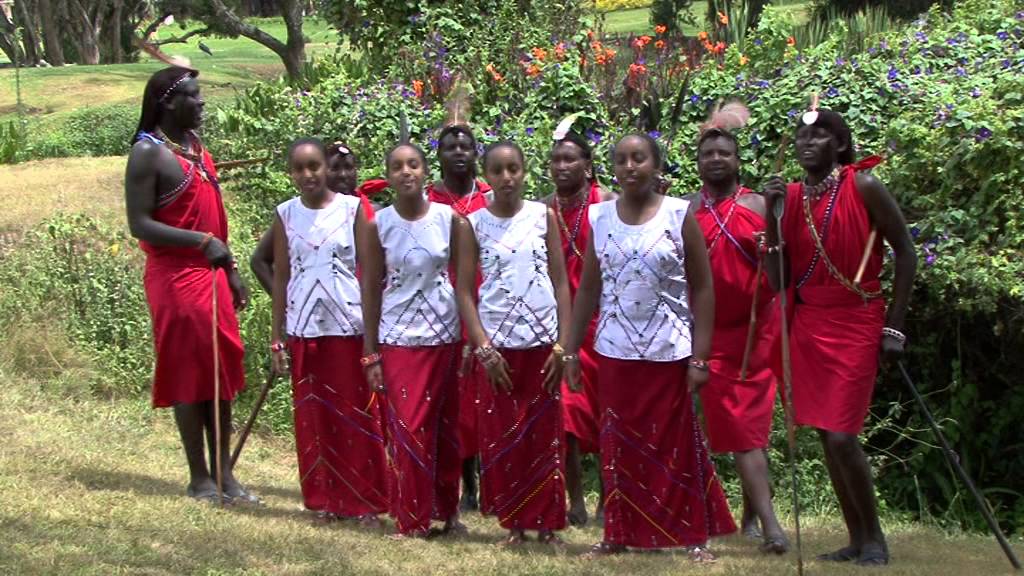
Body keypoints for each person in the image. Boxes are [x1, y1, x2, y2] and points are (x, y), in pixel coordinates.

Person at [565, 133, 736, 561]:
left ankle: (692, 535)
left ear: (655, 165)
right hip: (614, 352)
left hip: (670, 352)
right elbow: (588, 290)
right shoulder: (599, 217)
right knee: (617, 444)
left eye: (638, 159)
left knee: (676, 446)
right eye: (621, 160)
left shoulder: (680, 214)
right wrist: (568, 350)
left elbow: (703, 288)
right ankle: (617, 534)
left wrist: (701, 356)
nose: (629, 167)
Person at [761, 108, 916, 567]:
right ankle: (857, 538)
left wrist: (895, 325)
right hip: (810, 324)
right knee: (828, 437)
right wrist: (771, 220)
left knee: (843, 435)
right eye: (803, 135)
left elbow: (906, 252)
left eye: (821, 134)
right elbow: (778, 280)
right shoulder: (788, 197)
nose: (809, 142)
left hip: (857, 319)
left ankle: (876, 540)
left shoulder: (863, 186)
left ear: (840, 145)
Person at [125, 66, 255, 505]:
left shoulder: (196, 147)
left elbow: (214, 220)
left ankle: (225, 474)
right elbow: (139, 223)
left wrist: (230, 268)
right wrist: (201, 243)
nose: (202, 104)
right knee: (188, 373)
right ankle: (199, 477)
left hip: (212, 275)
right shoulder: (148, 154)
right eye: (194, 97)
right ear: (167, 103)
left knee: (218, 372)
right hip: (176, 278)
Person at [456, 141, 572, 546]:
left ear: (525, 172)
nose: (506, 178)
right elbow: (466, 292)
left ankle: (548, 524)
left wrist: (563, 344)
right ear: (485, 176)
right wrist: (484, 348)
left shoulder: (545, 217)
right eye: (497, 171)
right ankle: (517, 523)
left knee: (544, 435)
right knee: (505, 434)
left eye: (513, 169)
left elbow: (561, 282)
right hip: (499, 348)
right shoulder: (471, 223)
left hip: (543, 344)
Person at [268, 138, 388, 525]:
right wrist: (278, 337)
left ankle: (367, 501)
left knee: (358, 416)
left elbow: (370, 276)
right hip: (305, 330)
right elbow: (282, 276)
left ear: (326, 168)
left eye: (314, 167)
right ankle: (329, 500)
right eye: (299, 169)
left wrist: (371, 342)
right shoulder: (285, 214)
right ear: (291, 173)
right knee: (316, 420)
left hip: (348, 327)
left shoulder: (353, 210)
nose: (308, 175)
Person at [688, 110, 788, 554]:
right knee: (735, 429)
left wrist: (777, 229)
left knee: (748, 430)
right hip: (706, 336)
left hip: (754, 334)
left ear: (737, 160)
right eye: (707, 153)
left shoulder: (757, 206)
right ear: (697, 162)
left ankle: (768, 524)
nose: (715, 159)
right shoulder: (686, 209)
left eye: (723, 152)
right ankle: (754, 518)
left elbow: (782, 274)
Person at [357, 142, 465, 538]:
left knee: (445, 428)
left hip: (445, 335)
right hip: (398, 337)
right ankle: (411, 518)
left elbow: (464, 280)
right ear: (388, 174)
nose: (406, 172)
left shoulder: (448, 218)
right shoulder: (378, 224)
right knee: (408, 427)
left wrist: (470, 337)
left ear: (425, 172)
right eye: (398, 166)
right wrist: (370, 350)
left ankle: (446, 512)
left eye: (413, 164)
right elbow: (370, 286)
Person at [542, 131, 615, 527]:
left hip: (603, 325)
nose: (562, 166)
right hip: (561, 327)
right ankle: (575, 502)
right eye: (556, 160)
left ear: (588, 165)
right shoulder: (543, 210)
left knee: (607, 417)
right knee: (565, 418)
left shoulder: (606, 204)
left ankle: (609, 498)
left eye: (571, 160)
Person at [425, 124, 492, 512]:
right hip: (446, 301)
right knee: (460, 395)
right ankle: (466, 485)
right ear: (440, 154)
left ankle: (495, 479)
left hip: (489, 297)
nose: (459, 152)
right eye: (451, 147)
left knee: (488, 392)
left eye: (466, 146)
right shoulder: (429, 199)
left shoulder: (489, 196)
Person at [251, 142, 383, 295]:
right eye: (335, 168)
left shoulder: (373, 212)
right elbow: (259, 261)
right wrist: (286, 303)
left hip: (355, 313)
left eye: (348, 168)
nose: (343, 175)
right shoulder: (295, 213)